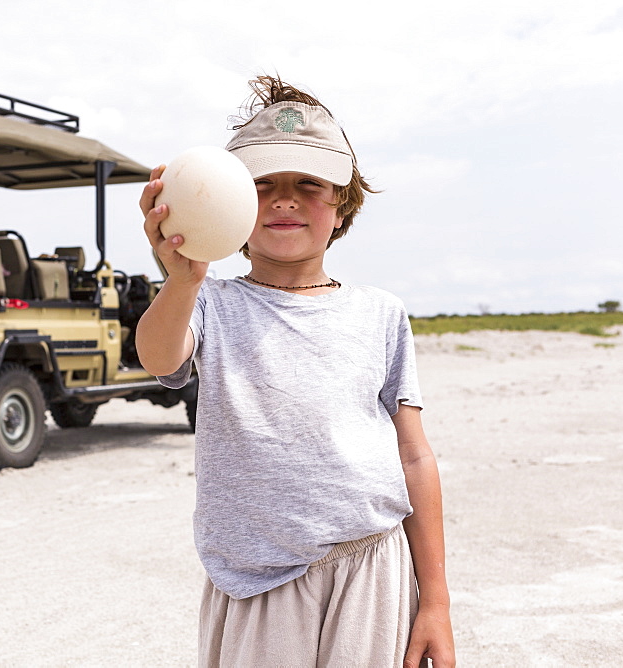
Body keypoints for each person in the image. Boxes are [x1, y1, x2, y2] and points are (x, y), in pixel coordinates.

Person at [135, 76, 455, 667]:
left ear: (342, 205)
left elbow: (413, 455)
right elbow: (158, 356)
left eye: (308, 184)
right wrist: (182, 278)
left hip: (371, 565)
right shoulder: (209, 301)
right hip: (255, 580)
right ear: (227, 206)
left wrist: (434, 600)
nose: (284, 200)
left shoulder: (381, 314)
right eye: (261, 186)